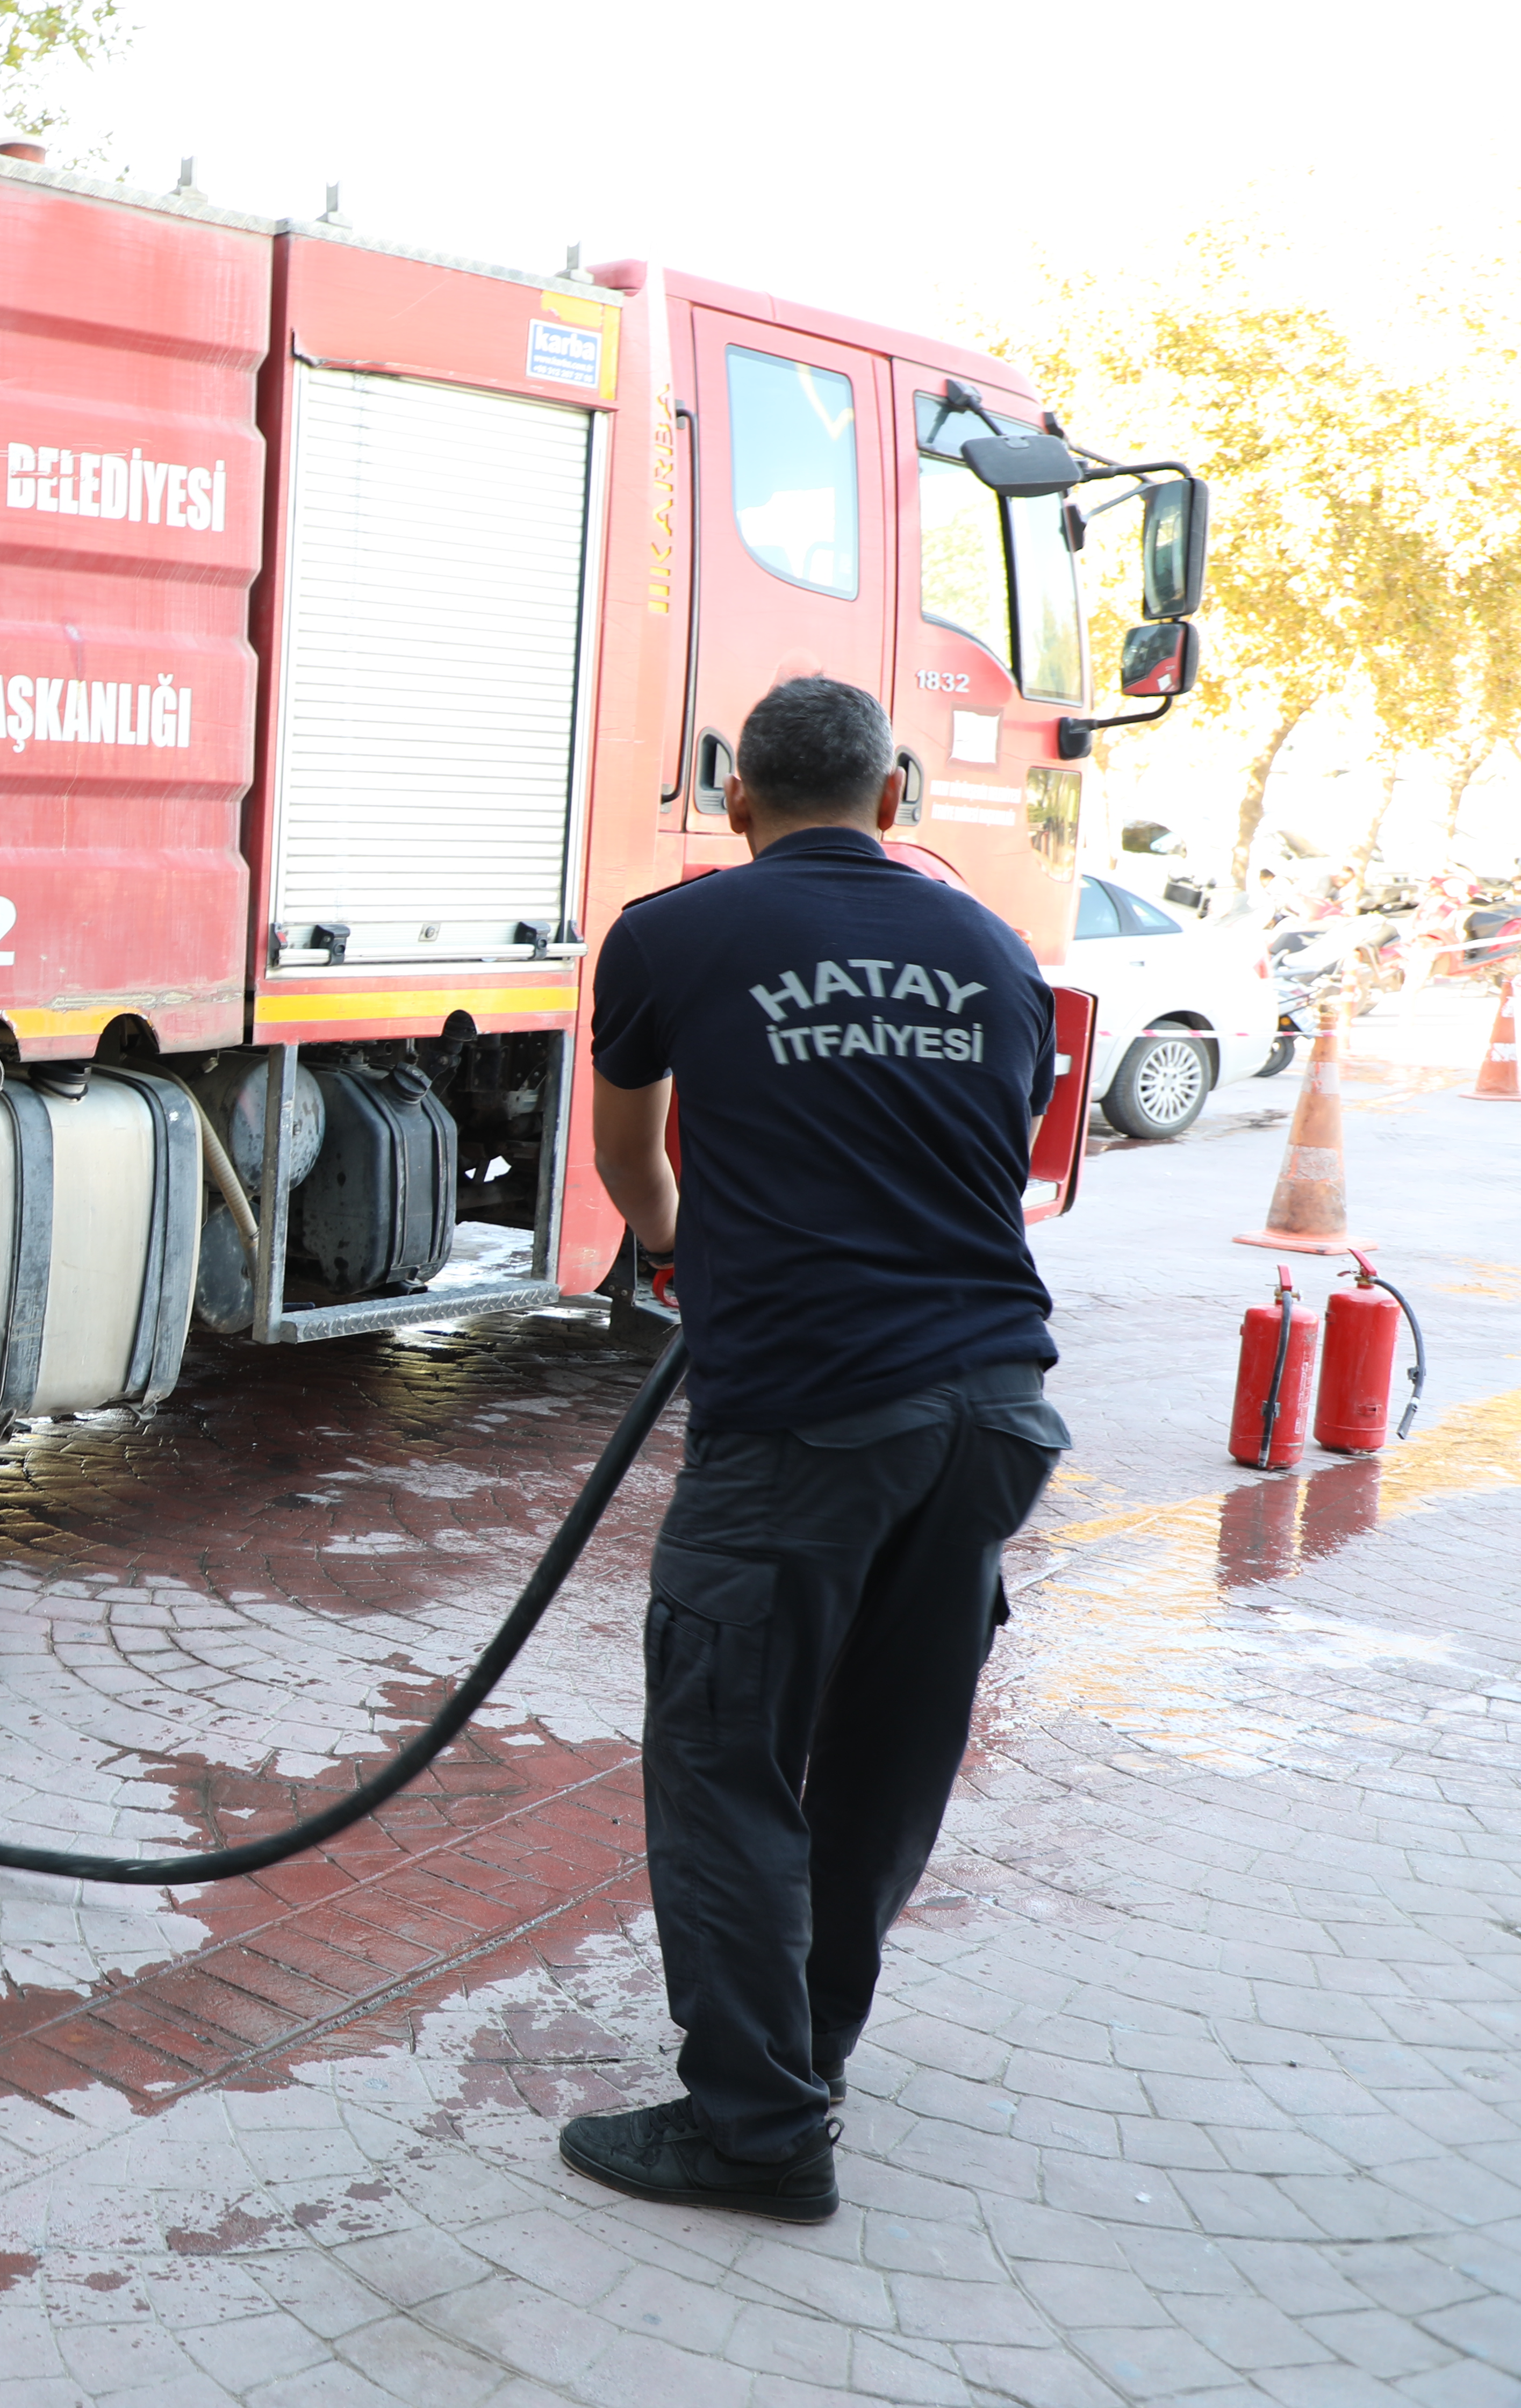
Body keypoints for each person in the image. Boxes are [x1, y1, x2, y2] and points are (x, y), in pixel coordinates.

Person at [565, 675, 1073, 2221]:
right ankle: (806, 2065)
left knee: (726, 1762)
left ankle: (757, 2133)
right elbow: (981, 1160)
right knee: (881, 1764)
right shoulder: (998, 954)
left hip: (806, 1421)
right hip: (995, 1411)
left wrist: (677, 1248)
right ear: (896, 799)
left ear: (738, 804)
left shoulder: (673, 932)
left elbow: (630, 1157)